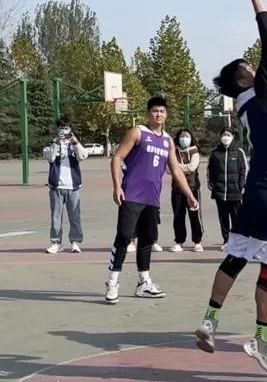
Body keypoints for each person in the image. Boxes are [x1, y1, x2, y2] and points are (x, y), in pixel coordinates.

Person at [194, 0, 267, 373]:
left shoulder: (250, 105)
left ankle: (210, 319)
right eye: (247, 65)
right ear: (242, 76)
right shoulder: (263, 93)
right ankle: (262, 339)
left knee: (237, 256)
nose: (254, 65)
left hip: (257, 187)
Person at [105, 96, 198, 303]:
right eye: (155, 111)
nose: (158, 114)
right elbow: (117, 157)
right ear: (148, 113)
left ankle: (144, 283)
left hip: (152, 198)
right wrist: (117, 186)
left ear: (166, 115)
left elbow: (176, 170)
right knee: (124, 236)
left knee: (147, 239)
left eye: (162, 111)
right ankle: (113, 281)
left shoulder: (168, 141)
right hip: (131, 194)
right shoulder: (138, 132)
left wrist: (190, 195)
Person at [46, 116, 88, 254]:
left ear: (70, 129)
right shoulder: (51, 144)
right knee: (56, 217)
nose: (64, 130)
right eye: (61, 128)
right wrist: (56, 143)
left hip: (73, 186)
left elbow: (83, 156)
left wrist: (75, 142)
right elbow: (50, 157)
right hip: (56, 186)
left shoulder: (73, 144)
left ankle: (75, 242)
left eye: (66, 128)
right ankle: (56, 242)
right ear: (57, 129)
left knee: (74, 216)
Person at [207, 126, 247, 250]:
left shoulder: (239, 152)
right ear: (220, 136)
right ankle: (226, 240)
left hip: (235, 192)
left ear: (233, 137)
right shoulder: (215, 153)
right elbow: (210, 170)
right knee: (223, 218)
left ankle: (238, 242)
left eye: (228, 135)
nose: (226, 137)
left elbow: (243, 170)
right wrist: (212, 183)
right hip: (220, 192)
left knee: (236, 218)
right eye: (224, 134)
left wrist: (241, 185)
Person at [170, 128, 204, 252]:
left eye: (187, 136)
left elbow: (191, 167)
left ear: (191, 138)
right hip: (177, 188)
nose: (184, 138)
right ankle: (179, 241)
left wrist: (176, 167)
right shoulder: (173, 151)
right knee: (178, 216)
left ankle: (197, 241)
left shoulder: (195, 151)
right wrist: (175, 168)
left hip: (193, 187)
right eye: (182, 136)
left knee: (194, 215)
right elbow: (169, 168)